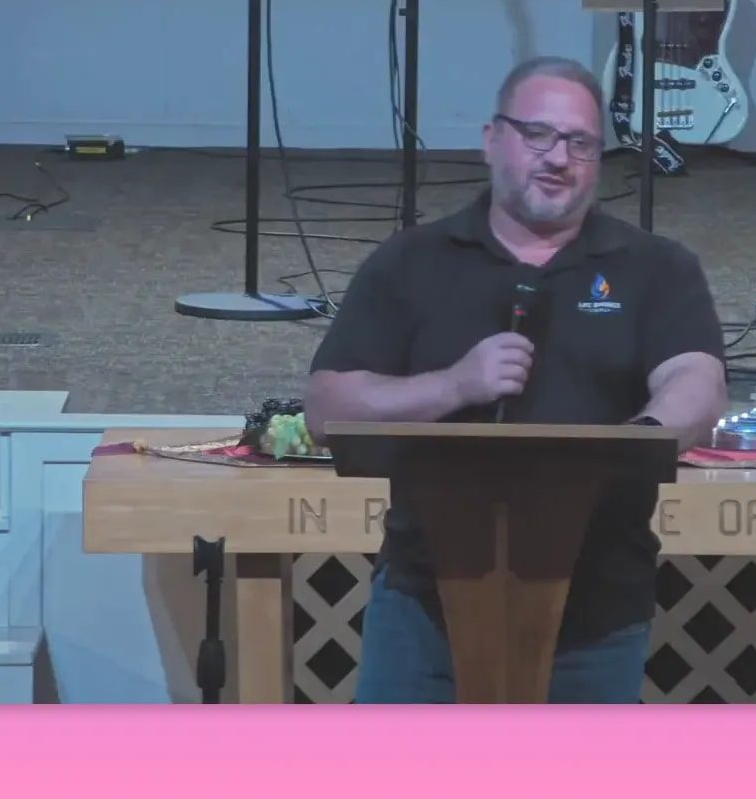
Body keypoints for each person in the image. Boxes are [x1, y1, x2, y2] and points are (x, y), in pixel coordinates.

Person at [304, 55, 728, 703]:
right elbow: (327, 405)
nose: (557, 157)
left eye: (579, 143)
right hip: (424, 607)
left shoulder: (654, 267)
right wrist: (452, 385)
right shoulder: (412, 261)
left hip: (599, 608)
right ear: (492, 139)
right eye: (538, 135)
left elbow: (696, 380)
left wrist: (637, 439)